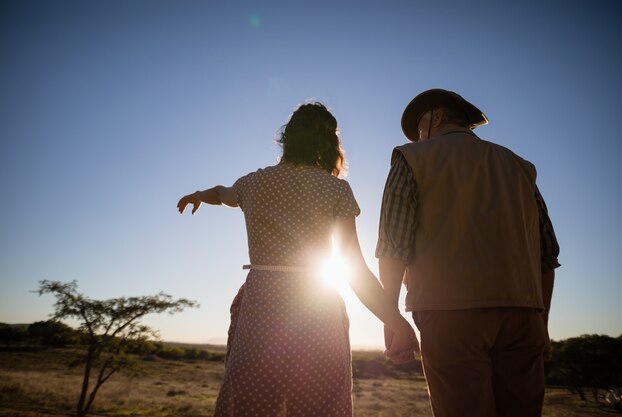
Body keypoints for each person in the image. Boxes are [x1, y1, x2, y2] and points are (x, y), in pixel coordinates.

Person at [178, 102, 418, 417]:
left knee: (249, 402)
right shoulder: (336, 190)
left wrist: (197, 194)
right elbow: (355, 271)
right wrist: (395, 320)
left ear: (287, 138)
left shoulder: (254, 182)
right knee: (319, 405)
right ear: (331, 145)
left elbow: (221, 193)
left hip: (260, 309)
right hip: (318, 314)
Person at [377, 89, 560, 417]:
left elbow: (393, 245)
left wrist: (391, 318)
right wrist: (542, 323)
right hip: (524, 316)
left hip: (449, 315)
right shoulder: (520, 167)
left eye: (420, 129)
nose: (419, 138)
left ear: (435, 118)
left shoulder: (411, 157)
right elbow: (547, 254)